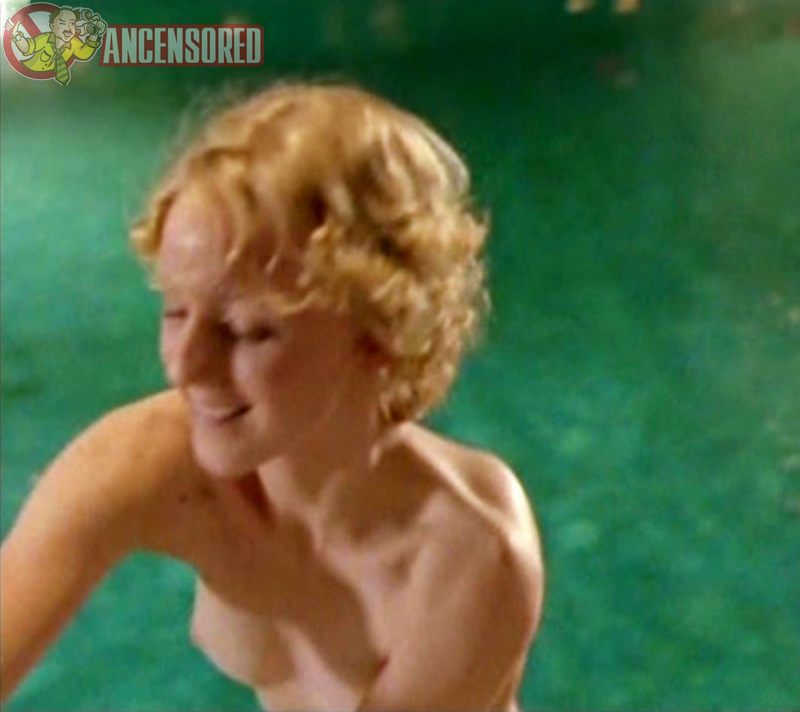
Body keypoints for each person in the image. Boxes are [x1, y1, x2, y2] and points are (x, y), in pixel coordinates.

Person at [0, 83, 545, 711]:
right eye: (175, 310)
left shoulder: (464, 559)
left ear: (381, 333)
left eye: (248, 329)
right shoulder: (144, 463)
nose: (185, 367)